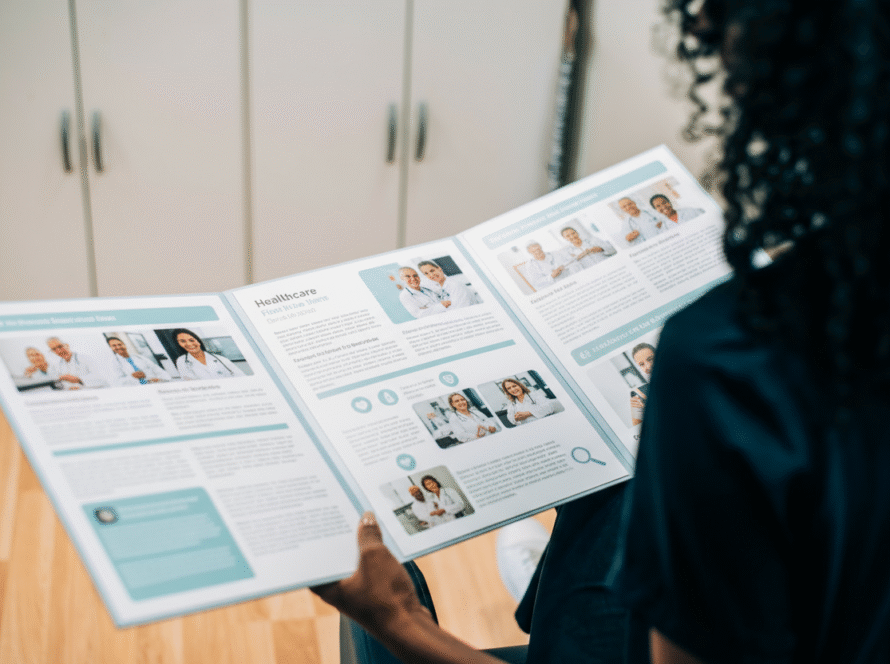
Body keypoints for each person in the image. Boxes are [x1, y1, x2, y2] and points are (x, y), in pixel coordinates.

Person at [316, 2, 890, 662]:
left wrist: (404, 622)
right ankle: (555, 585)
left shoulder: (730, 360)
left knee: (377, 631)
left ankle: (552, 600)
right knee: (617, 480)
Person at [171, 328, 244, 380]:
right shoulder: (181, 361)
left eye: (191, 340)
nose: (189, 344)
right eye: (183, 341)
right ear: (179, 344)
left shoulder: (221, 359)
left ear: (198, 341)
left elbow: (241, 376)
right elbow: (189, 382)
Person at [106, 336, 170, 386]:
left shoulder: (139, 357)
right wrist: (132, 377)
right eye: (114, 346)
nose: (118, 347)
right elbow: (118, 382)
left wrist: (163, 380)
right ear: (111, 348)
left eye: (120, 344)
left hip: (155, 384)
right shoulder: (115, 364)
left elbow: (155, 368)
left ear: (124, 345)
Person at [628, 343, 655, 426]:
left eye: (650, 359)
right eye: (641, 364)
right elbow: (637, 428)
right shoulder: (639, 393)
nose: (648, 366)